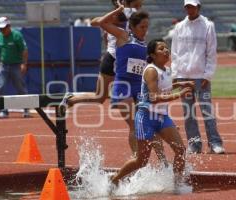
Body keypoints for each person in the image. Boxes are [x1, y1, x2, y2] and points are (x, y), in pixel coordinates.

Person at [60, 2, 167, 163]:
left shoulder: (139, 28)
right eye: (143, 26)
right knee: (101, 98)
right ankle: (138, 161)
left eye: (146, 27)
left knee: (145, 120)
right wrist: (117, 11)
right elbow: (97, 22)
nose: (145, 29)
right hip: (114, 61)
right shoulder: (123, 14)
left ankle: (162, 162)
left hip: (129, 68)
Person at [111, 39, 193, 185]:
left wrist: (181, 84)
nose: (166, 51)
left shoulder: (166, 70)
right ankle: (114, 180)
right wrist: (178, 94)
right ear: (153, 55)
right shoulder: (150, 70)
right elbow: (154, 97)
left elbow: (165, 84)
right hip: (146, 117)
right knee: (141, 161)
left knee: (180, 150)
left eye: (167, 48)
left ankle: (177, 185)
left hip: (162, 117)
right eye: (161, 48)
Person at [171, 0, 225, 154]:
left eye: (193, 6)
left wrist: (208, 74)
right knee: (188, 113)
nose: (190, 9)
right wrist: (175, 74)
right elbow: (175, 53)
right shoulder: (179, 27)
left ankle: (215, 143)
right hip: (183, 77)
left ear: (198, 7)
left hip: (201, 77)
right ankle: (194, 144)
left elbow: (211, 52)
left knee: (206, 111)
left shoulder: (208, 25)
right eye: (187, 6)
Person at [0, 16, 30, 119]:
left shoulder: (17, 35)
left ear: (9, 26)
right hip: (4, 65)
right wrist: (2, 60)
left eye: (4, 28)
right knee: (0, 86)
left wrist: (24, 64)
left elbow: (24, 50)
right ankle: (3, 111)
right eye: (0, 29)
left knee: (20, 87)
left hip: (16, 65)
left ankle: (26, 109)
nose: (2, 30)